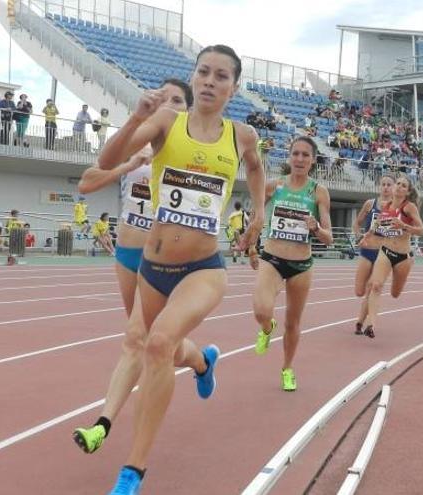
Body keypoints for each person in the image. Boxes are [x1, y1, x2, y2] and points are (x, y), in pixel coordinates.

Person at [93, 44, 265, 495]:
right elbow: (107, 163)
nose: (210, 81)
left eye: (221, 75)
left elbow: (256, 169)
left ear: (235, 86)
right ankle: (203, 363)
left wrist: (260, 212)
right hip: (153, 266)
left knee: (159, 345)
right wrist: (135, 117)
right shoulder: (167, 122)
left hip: (204, 267)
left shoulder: (242, 135)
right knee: (158, 345)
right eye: (203, 72)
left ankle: (133, 470)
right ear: (193, 77)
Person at [71, 78, 193, 462]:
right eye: (164, 100)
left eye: (178, 102)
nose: (169, 107)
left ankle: (102, 424)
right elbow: (87, 183)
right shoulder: (136, 146)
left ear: (188, 111)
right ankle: (202, 359)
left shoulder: (187, 152)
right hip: (127, 254)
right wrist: (128, 165)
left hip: (164, 259)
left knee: (138, 339)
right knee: (153, 343)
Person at [250, 137, 333, 391]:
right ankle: (267, 327)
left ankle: (287, 368)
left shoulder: (318, 191)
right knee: (262, 310)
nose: (299, 159)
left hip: (301, 265)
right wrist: (252, 246)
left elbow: (329, 238)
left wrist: (316, 227)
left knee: (292, 322)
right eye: (295, 154)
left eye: (305, 155)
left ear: (313, 160)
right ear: (289, 157)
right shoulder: (274, 187)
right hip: (272, 258)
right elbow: (256, 217)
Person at [357, 175, 423, 338]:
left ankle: (370, 322)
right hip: (386, 251)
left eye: (404, 186)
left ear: (407, 192)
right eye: (399, 184)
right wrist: (366, 236)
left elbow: (422, 231)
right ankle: (371, 325)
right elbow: (376, 225)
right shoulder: (386, 206)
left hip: (403, 257)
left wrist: (404, 226)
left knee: (395, 293)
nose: (399, 187)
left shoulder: (409, 207)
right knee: (375, 285)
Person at [351, 175, 394, 335]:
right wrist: (358, 237)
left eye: (389, 184)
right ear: (379, 186)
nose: (385, 187)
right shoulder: (370, 204)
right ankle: (361, 322)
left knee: (373, 288)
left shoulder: (397, 208)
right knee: (360, 291)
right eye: (383, 184)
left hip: (383, 254)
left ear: (394, 187)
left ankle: (363, 324)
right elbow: (357, 223)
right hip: (367, 251)